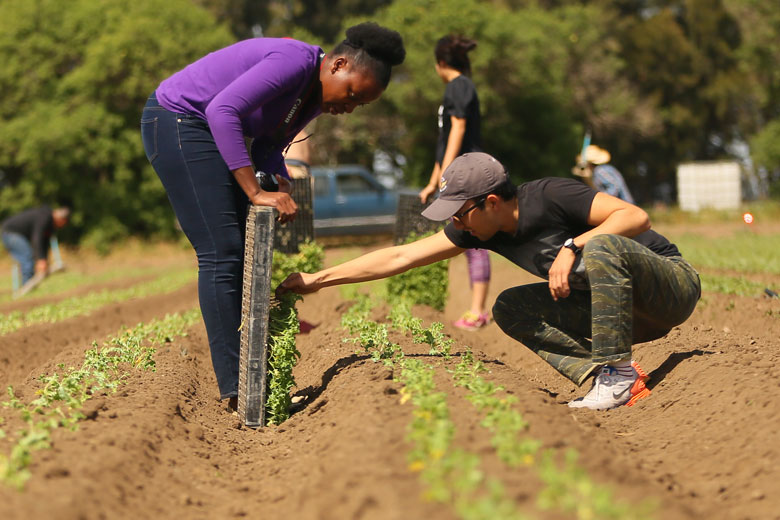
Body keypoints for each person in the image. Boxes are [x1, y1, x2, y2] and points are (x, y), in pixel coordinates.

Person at [280, 152, 701, 410]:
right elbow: (403, 255)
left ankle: (618, 376)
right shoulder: (479, 229)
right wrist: (319, 278)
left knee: (605, 246)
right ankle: (607, 373)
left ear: (492, 202)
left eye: (459, 213)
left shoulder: (551, 195)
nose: (455, 223)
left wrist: (573, 246)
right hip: (624, 315)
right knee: (509, 307)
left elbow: (635, 216)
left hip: (669, 288)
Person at [140, 23, 405, 408]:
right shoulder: (294, 61)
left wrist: (278, 179)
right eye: (350, 94)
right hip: (178, 120)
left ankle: (253, 382)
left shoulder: (311, 94)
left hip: (199, 128)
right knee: (222, 251)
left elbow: (267, 142)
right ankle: (239, 390)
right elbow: (223, 110)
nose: (347, 109)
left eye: (357, 105)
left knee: (242, 250)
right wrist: (254, 191)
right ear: (338, 64)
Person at [418, 35, 490, 331]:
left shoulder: (459, 86)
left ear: (441, 63)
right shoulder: (456, 88)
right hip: (456, 171)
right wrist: (434, 180)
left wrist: (449, 170)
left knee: (475, 240)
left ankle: (478, 310)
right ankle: (476, 309)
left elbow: (458, 128)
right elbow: (444, 141)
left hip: (467, 173)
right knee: (466, 237)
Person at [1, 205, 69, 285]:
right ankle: (26, 287)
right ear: (62, 220)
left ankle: (29, 286)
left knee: (30, 258)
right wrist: (40, 260)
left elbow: (44, 243)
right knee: (27, 257)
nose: (61, 227)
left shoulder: (50, 225)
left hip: (17, 235)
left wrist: (44, 259)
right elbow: (37, 238)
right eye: (63, 224)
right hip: (10, 232)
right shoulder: (44, 217)